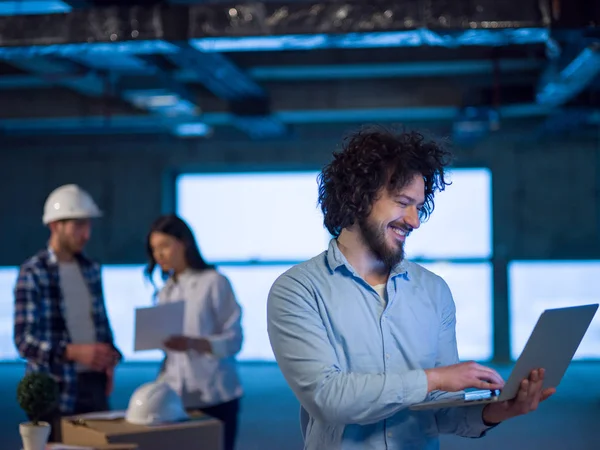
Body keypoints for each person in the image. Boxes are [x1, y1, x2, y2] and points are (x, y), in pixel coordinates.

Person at [267, 126, 556, 449]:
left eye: (418, 206)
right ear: (358, 196)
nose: (414, 220)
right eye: (403, 202)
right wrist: (434, 378)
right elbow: (327, 399)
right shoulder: (297, 290)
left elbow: (442, 412)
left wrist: (498, 411)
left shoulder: (434, 291)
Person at [13, 184, 121, 442]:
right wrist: (72, 351)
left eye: (88, 226)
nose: (86, 234)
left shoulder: (91, 269)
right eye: (78, 226)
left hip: (93, 386)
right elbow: (24, 341)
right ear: (55, 226)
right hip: (54, 389)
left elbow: (101, 324)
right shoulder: (33, 272)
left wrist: (110, 356)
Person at [145, 214, 243, 450]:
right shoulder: (165, 292)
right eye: (154, 249)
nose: (159, 255)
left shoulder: (214, 282)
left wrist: (193, 343)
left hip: (215, 394)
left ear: (184, 243)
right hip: (175, 396)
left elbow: (234, 340)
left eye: (165, 246)